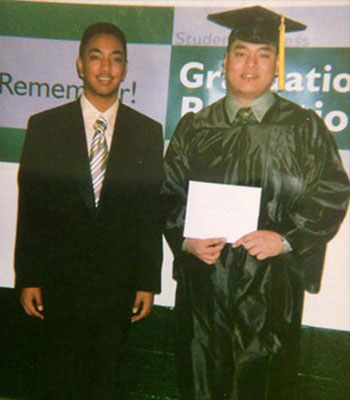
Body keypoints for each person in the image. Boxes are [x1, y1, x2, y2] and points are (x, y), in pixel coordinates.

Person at [162, 6, 350, 400]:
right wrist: (186, 239)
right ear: (225, 61)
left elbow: (331, 191)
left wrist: (285, 239)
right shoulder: (196, 127)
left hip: (269, 291)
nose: (251, 64)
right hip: (203, 292)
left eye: (263, 54)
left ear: (277, 64)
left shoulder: (302, 127)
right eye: (241, 52)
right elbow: (167, 192)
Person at [15, 22, 163, 400]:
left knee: (106, 382)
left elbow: (150, 212)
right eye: (96, 57)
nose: (105, 67)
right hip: (58, 282)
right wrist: (28, 276)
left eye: (116, 59)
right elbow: (30, 208)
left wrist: (148, 280)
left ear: (125, 69)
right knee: (58, 379)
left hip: (117, 286)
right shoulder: (45, 127)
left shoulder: (147, 132)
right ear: (80, 65)